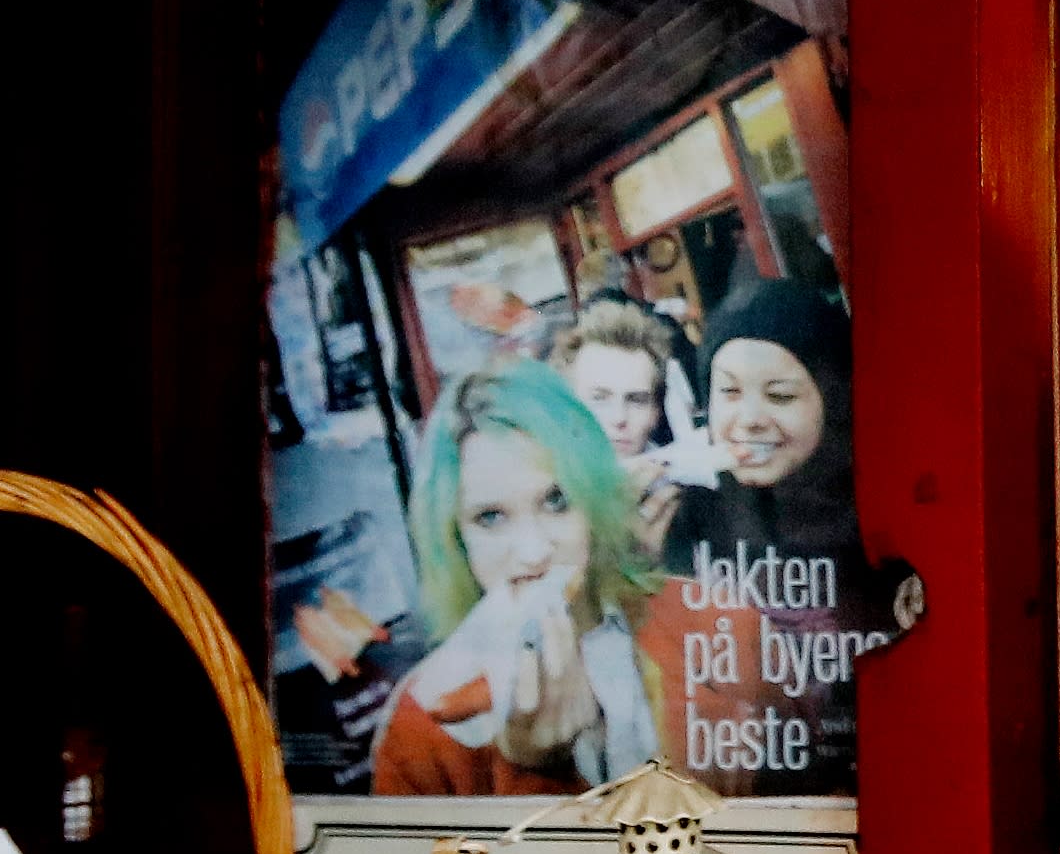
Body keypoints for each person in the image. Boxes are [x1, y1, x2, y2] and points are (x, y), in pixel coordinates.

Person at [373, 363, 669, 794]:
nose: (534, 553)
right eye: (491, 517)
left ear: (594, 497)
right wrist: (536, 769)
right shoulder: (423, 726)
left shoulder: (708, 626)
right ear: (456, 539)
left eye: (556, 500)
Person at [659, 276, 881, 787]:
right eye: (729, 392)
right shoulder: (683, 513)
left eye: (780, 395)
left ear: (834, 399)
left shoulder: (883, 517)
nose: (750, 419)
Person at [549, 293, 712, 566]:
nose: (619, 418)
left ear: (656, 412)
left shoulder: (689, 492)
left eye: (637, 400)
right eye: (599, 399)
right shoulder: (544, 495)